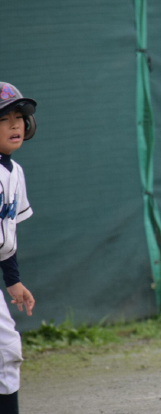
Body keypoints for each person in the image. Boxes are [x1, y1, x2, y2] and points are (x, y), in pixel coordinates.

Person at [0, 82, 38, 414]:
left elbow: (7, 232)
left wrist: (13, 281)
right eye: (4, 118)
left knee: (6, 351)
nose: (15, 124)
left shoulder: (15, 172)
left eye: (19, 116)